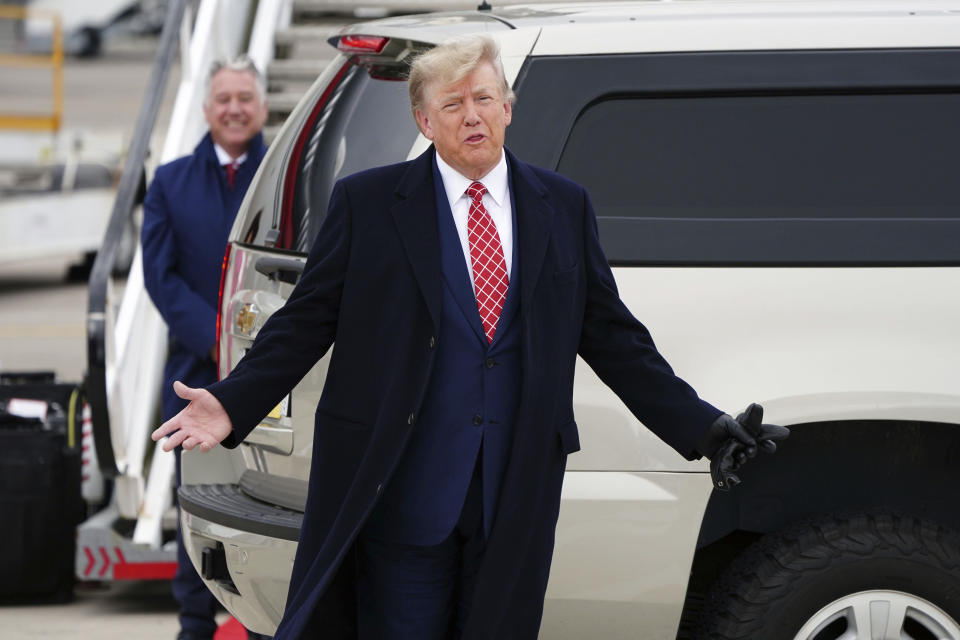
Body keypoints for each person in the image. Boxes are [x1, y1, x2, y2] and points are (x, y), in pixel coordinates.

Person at [151, 36, 787, 640]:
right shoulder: (369, 205)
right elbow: (303, 322)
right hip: (403, 497)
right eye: (452, 104)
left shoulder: (561, 207)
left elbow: (617, 340)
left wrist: (704, 429)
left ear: (508, 108)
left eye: (484, 98)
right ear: (425, 123)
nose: (472, 115)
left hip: (512, 499)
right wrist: (232, 400)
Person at [142, 55, 268, 640]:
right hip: (195, 373)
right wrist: (222, 341)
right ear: (207, 108)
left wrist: (260, 353)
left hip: (273, 375)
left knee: (268, 502)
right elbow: (161, 278)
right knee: (193, 504)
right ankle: (194, 623)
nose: (236, 108)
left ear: (262, 105)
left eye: (245, 96)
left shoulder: (289, 173)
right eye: (225, 98)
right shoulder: (170, 182)